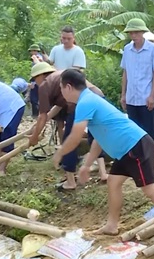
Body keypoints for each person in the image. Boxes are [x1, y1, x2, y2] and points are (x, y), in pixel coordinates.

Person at [55, 69, 154, 259]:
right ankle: (112, 225)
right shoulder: (89, 100)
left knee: (150, 189)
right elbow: (98, 139)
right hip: (125, 150)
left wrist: (60, 153)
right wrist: (87, 165)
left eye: (61, 88)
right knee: (114, 182)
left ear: (69, 87)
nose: (61, 93)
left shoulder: (85, 102)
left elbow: (74, 137)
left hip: (135, 145)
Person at [27, 63, 105, 191]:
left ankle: (70, 182)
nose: (36, 82)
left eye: (35, 79)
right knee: (95, 136)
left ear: (41, 75)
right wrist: (38, 126)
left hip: (82, 103)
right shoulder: (60, 76)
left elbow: (42, 115)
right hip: (98, 97)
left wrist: (34, 137)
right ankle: (103, 174)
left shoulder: (45, 84)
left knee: (69, 140)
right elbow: (56, 107)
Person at [120, 18, 154, 154]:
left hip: (146, 96)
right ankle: (137, 162)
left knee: (148, 132)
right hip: (131, 96)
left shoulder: (153, 49)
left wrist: (152, 95)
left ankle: (149, 162)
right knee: (133, 131)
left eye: (136, 33)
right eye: (131, 33)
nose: (134, 36)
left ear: (142, 32)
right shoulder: (127, 49)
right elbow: (125, 72)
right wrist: (123, 95)